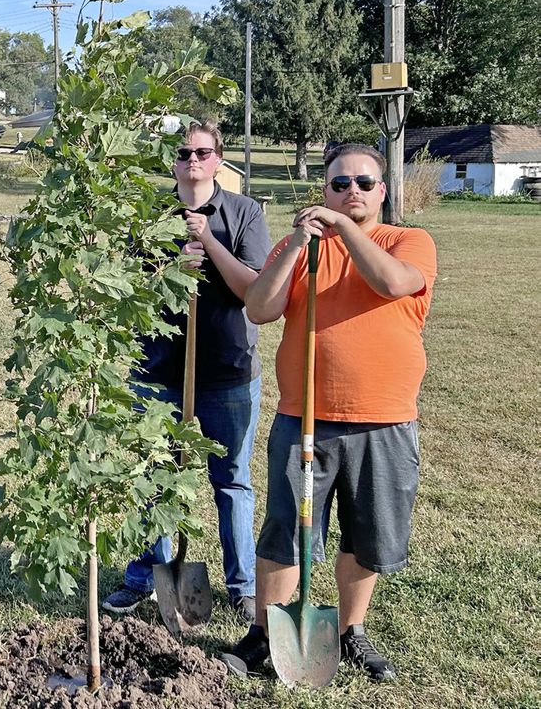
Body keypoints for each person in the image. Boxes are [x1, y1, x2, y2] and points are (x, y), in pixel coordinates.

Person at [222, 142, 437, 682]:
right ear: (325, 190)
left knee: (366, 537)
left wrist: (347, 232)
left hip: (383, 420)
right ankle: (264, 635)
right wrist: (297, 243)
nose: (352, 193)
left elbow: (392, 282)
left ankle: (349, 632)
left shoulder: (408, 241)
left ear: (382, 191)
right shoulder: (303, 248)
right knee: (286, 532)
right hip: (304, 418)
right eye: (340, 184)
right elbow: (260, 307)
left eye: (364, 183)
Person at [101, 121, 271, 623]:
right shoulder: (151, 217)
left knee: (232, 480)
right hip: (157, 373)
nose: (192, 160)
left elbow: (254, 290)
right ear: (173, 161)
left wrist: (209, 246)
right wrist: (172, 263)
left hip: (228, 372)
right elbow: (128, 291)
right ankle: (145, 575)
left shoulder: (244, 214)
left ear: (218, 159)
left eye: (202, 152)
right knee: (150, 476)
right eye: (183, 153)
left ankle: (241, 587)